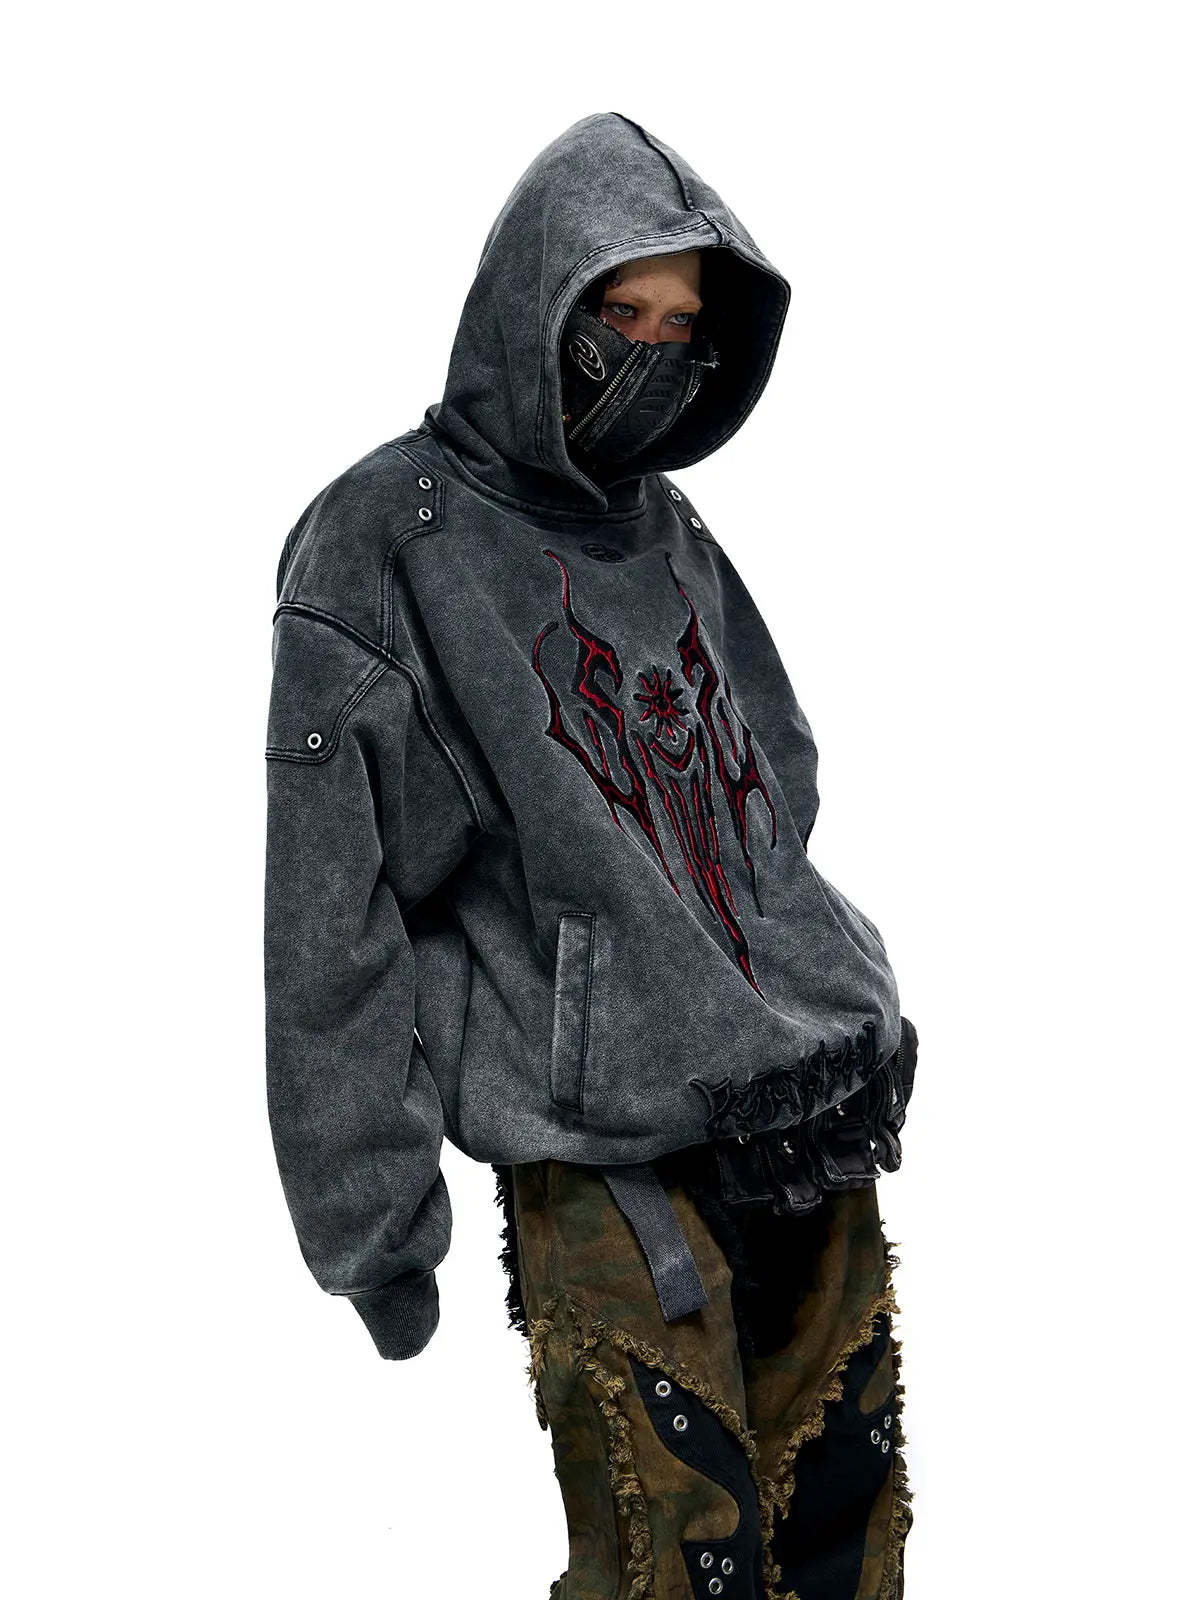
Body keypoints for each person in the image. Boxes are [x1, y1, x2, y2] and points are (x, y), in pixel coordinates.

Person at [264, 112, 918, 1600]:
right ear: (534, 303)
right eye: (619, 313)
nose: (651, 355)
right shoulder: (385, 543)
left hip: (802, 1104)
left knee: (845, 1545)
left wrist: (797, 967)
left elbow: (774, 778)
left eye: (684, 329)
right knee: (673, 1563)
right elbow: (328, 920)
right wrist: (374, 1224)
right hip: (601, 1148)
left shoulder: (664, 524)